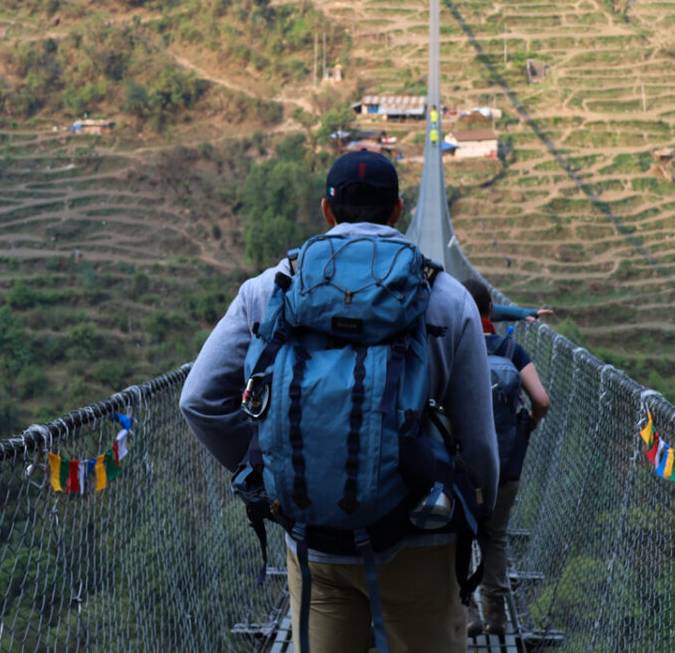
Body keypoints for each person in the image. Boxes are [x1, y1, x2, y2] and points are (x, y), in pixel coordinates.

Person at [181, 150, 497, 653]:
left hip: (314, 539)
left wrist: (270, 468)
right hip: (418, 534)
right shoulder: (447, 295)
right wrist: (478, 519)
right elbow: (479, 443)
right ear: (398, 211)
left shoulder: (270, 289)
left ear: (327, 212)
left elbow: (198, 401)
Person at [461, 278, 553, 636]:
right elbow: (542, 401)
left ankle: (465, 607)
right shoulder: (511, 350)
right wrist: (530, 422)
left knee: (459, 532)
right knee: (495, 535)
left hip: (461, 466)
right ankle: (496, 612)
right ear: (489, 313)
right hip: (505, 463)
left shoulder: (449, 345)